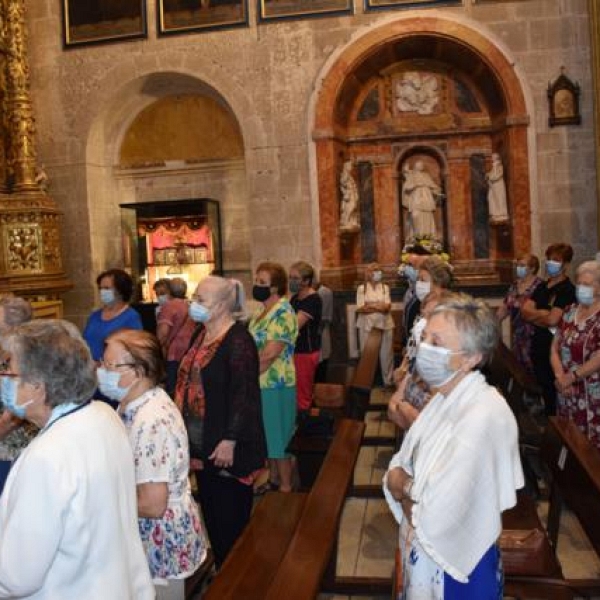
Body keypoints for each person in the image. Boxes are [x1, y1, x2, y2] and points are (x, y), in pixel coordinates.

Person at [0, 319, 154, 598]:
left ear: (38, 386)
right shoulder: (103, 415)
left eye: (9, 369)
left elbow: (17, 576)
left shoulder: (46, 456)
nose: (4, 377)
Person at [384, 296, 523, 598]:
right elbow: (406, 462)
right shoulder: (446, 399)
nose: (425, 348)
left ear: (471, 357)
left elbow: (435, 517)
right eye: (424, 338)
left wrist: (403, 485)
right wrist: (410, 486)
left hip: (458, 568)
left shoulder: (482, 415)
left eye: (437, 340)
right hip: (429, 558)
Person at [100, 329, 206, 597]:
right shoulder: (130, 403)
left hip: (159, 543)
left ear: (138, 370)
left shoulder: (151, 420)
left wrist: (98, 500)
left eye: (110, 366)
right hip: (142, 536)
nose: (101, 370)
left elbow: (152, 503)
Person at [176, 276, 266, 567]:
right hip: (201, 445)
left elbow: (245, 395)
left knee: (231, 522)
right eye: (195, 298)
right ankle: (223, 573)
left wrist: (230, 439)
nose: (194, 305)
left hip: (227, 447)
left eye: (202, 300)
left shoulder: (238, 340)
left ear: (224, 305)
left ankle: (238, 580)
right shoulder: (200, 334)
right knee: (213, 516)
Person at [248, 262, 298, 493]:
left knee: (280, 437)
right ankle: (274, 480)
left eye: (262, 283)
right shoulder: (261, 311)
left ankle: (286, 487)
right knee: (268, 435)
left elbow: (269, 354)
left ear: (275, 287)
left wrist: (244, 376)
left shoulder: (283, 311)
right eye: (256, 280)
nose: (256, 286)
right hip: (261, 382)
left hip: (276, 383)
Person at [522, 243, 576, 416]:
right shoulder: (542, 286)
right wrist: (543, 314)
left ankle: (556, 426)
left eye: (556, 260)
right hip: (538, 343)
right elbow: (525, 311)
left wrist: (539, 316)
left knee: (553, 392)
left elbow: (554, 320)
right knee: (543, 387)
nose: (551, 263)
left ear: (566, 265)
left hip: (554, 347)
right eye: (549, 259)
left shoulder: (567, 290)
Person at [551, 261, 600, 451]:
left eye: (587, 285)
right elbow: (555, 346)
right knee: (569, 445)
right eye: (579, 283)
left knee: (591, 451)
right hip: (565, 390)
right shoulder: (569, 311)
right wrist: (559, 377)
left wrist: (572, 377)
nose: (581, 288)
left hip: (592, 394)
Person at [0, 296, 37, 493]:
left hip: (13, 454)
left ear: (14, 327)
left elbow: (14, 417)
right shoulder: (5, 354)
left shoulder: (25, 361)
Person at [497, 254, 542, 375]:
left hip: (534, 336)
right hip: (518, 337)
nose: (518, 268)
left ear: (532, 268)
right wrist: (493, 321)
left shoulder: (540, 286)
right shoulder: (514, 286)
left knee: (535, 370)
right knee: (520, 371)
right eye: (518, 265)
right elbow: (505, 307)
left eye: (522, 265)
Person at [83, 269, 142, 362]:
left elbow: (135, 351)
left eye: (106, 288)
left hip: (113, 370)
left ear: (120, 290)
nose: (102, 292)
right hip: (90, 370)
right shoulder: (94, 316)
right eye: (100, 288)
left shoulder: (131, 317)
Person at [289, 261, 322, 411]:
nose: (291, 281)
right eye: (290, 277)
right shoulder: (295, 299)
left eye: (295, 278)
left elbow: (293, 325)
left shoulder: (313, 300)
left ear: (306, 281)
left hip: (306, 352)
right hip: (295, 351)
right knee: (295, 391)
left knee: (303, 393)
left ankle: (305, 425)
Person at [156, 276, 195, 398]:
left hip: (174, 353)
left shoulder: (169, 307)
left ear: (169, 291)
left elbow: (163, 333)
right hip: (190, 352)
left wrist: (157, 348)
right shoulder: (190, 305)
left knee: (173, 388)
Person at [356, 263, 395, 386]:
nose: (378, 273)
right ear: (368, 273)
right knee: (367, 354)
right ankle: (367, 382)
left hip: (385, 324)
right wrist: (378, 306)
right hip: (366, 325)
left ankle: (388, 381)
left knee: (386, 355)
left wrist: (371, 305)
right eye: (375, 270)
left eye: (379, 270)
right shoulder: (362, 288)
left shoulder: (385, 287)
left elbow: (387, 307)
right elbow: (361, 308)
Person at [399, 244, 432, 345]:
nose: (410, 268)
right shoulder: (413, 295)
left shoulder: (432, 299)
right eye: (409, 264)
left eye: (413, 265)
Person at [402, 160, 442, 239]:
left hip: (427, 199)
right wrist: (416, 185)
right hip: (416, 199)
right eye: (419, 164)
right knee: (415, 216)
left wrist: (436, 190)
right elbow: (406, 188)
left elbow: (434, 186)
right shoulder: (412, 175)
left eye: (422, 165)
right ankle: (416, 238)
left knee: (428, 217)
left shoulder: (426, 175)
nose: (421, 166)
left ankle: (429, 237)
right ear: (415, 166)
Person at [315, 279, 333, 383]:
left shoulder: (325, 292)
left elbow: (324, 317)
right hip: (314, 334)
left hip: (320, 331)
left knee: (322, 364)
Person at [486, 153, 509, 223]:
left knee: (499, 199)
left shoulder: (499, 165)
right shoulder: (494, 165)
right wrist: (488, 175)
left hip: (498, 186)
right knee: (490, 198)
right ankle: (495, 214)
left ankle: (500, 215)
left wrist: (490, 177)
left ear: (497, 158)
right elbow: (491, 174)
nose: (491, 158)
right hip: (493, 186)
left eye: (493, 157)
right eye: (492, 157)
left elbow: (498, 175)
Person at [339, 160, 360, 230]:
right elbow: (342, 184)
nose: (351, 167)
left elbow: (353, 185)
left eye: (351, 166)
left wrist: (356, 193)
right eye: (350, 166)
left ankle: (352, 220)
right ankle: (345, 220)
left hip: (352, 193)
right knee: (351, 206)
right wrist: (345, 192)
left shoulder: (350, 176)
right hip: (349, 194)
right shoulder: (345, 175)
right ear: (346, 167)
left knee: (354, 206)